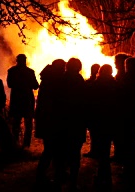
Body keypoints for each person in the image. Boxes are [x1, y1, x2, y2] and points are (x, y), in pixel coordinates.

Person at [34, 59, 66, 188]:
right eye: (63, 67)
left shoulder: (47, 79)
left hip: (48, 120)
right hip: (51, 120)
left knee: (52, 149)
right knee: (52, 149)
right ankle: (44, 175)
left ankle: (54, 173)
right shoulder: (53, 81)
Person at [56, 57, 87, 191]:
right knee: (75, 153)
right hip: (76, 122)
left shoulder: (61, 80)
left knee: (61, 152)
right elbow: (84, 101)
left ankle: (59, 178)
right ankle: (73, 181)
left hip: (63, 121)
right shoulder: (80, 80)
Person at [88, 63, 118, 190]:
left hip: (97, 121)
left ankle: (102, 175)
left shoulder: (95, 85)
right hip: (110, 121)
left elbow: (89, 103)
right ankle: (105, 176)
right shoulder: (115, 85)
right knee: (105, 149)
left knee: (101, 150)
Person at [6, 54, 39, 149]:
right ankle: (26, 144)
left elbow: (9, 84)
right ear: (25, 61)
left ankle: (15, 142)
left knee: (16, 123)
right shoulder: (30, 72)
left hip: (16, 100)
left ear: (17, 61)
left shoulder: (11, 71)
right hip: (27, 100)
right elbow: (36, 86)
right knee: (28, 124)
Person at [112, 52, 131, 163]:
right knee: (118, 135)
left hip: (124, 112)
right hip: (119, 111)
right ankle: (119, 155)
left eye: (116, 62)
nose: (114, 64)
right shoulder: (121, 75)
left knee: (123, 136)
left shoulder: (126, 78)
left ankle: (124, 158)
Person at [83, 63, 101, 159]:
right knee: (96, 133)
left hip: (93, 112)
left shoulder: (91, 82)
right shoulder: (100, 82)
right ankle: (95, 151)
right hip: (96, 112)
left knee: (95, 133)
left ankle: (95, 151)